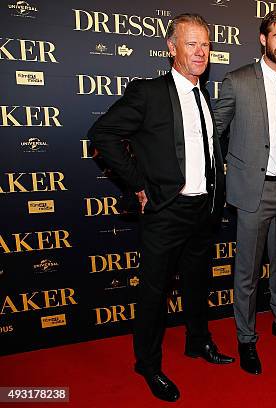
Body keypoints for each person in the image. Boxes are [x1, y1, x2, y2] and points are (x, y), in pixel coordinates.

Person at [88, 13, 233, 402]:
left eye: (205, 44)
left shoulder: (205, 94)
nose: (201, 52)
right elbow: (102, 133)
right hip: (166, 212)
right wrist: (138, 184)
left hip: (203, 210)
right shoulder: (149, 93)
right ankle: (148, 365)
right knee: (154, 292)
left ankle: (197, 342)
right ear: (172, 48)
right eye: (191, 44)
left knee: (197, 283)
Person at [214, 10, 276, 376]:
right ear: (263, 39)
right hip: (253, 192)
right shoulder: (237, 80)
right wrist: (232, 172)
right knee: (247, 271)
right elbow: (215, 133)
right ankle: (245, 338)